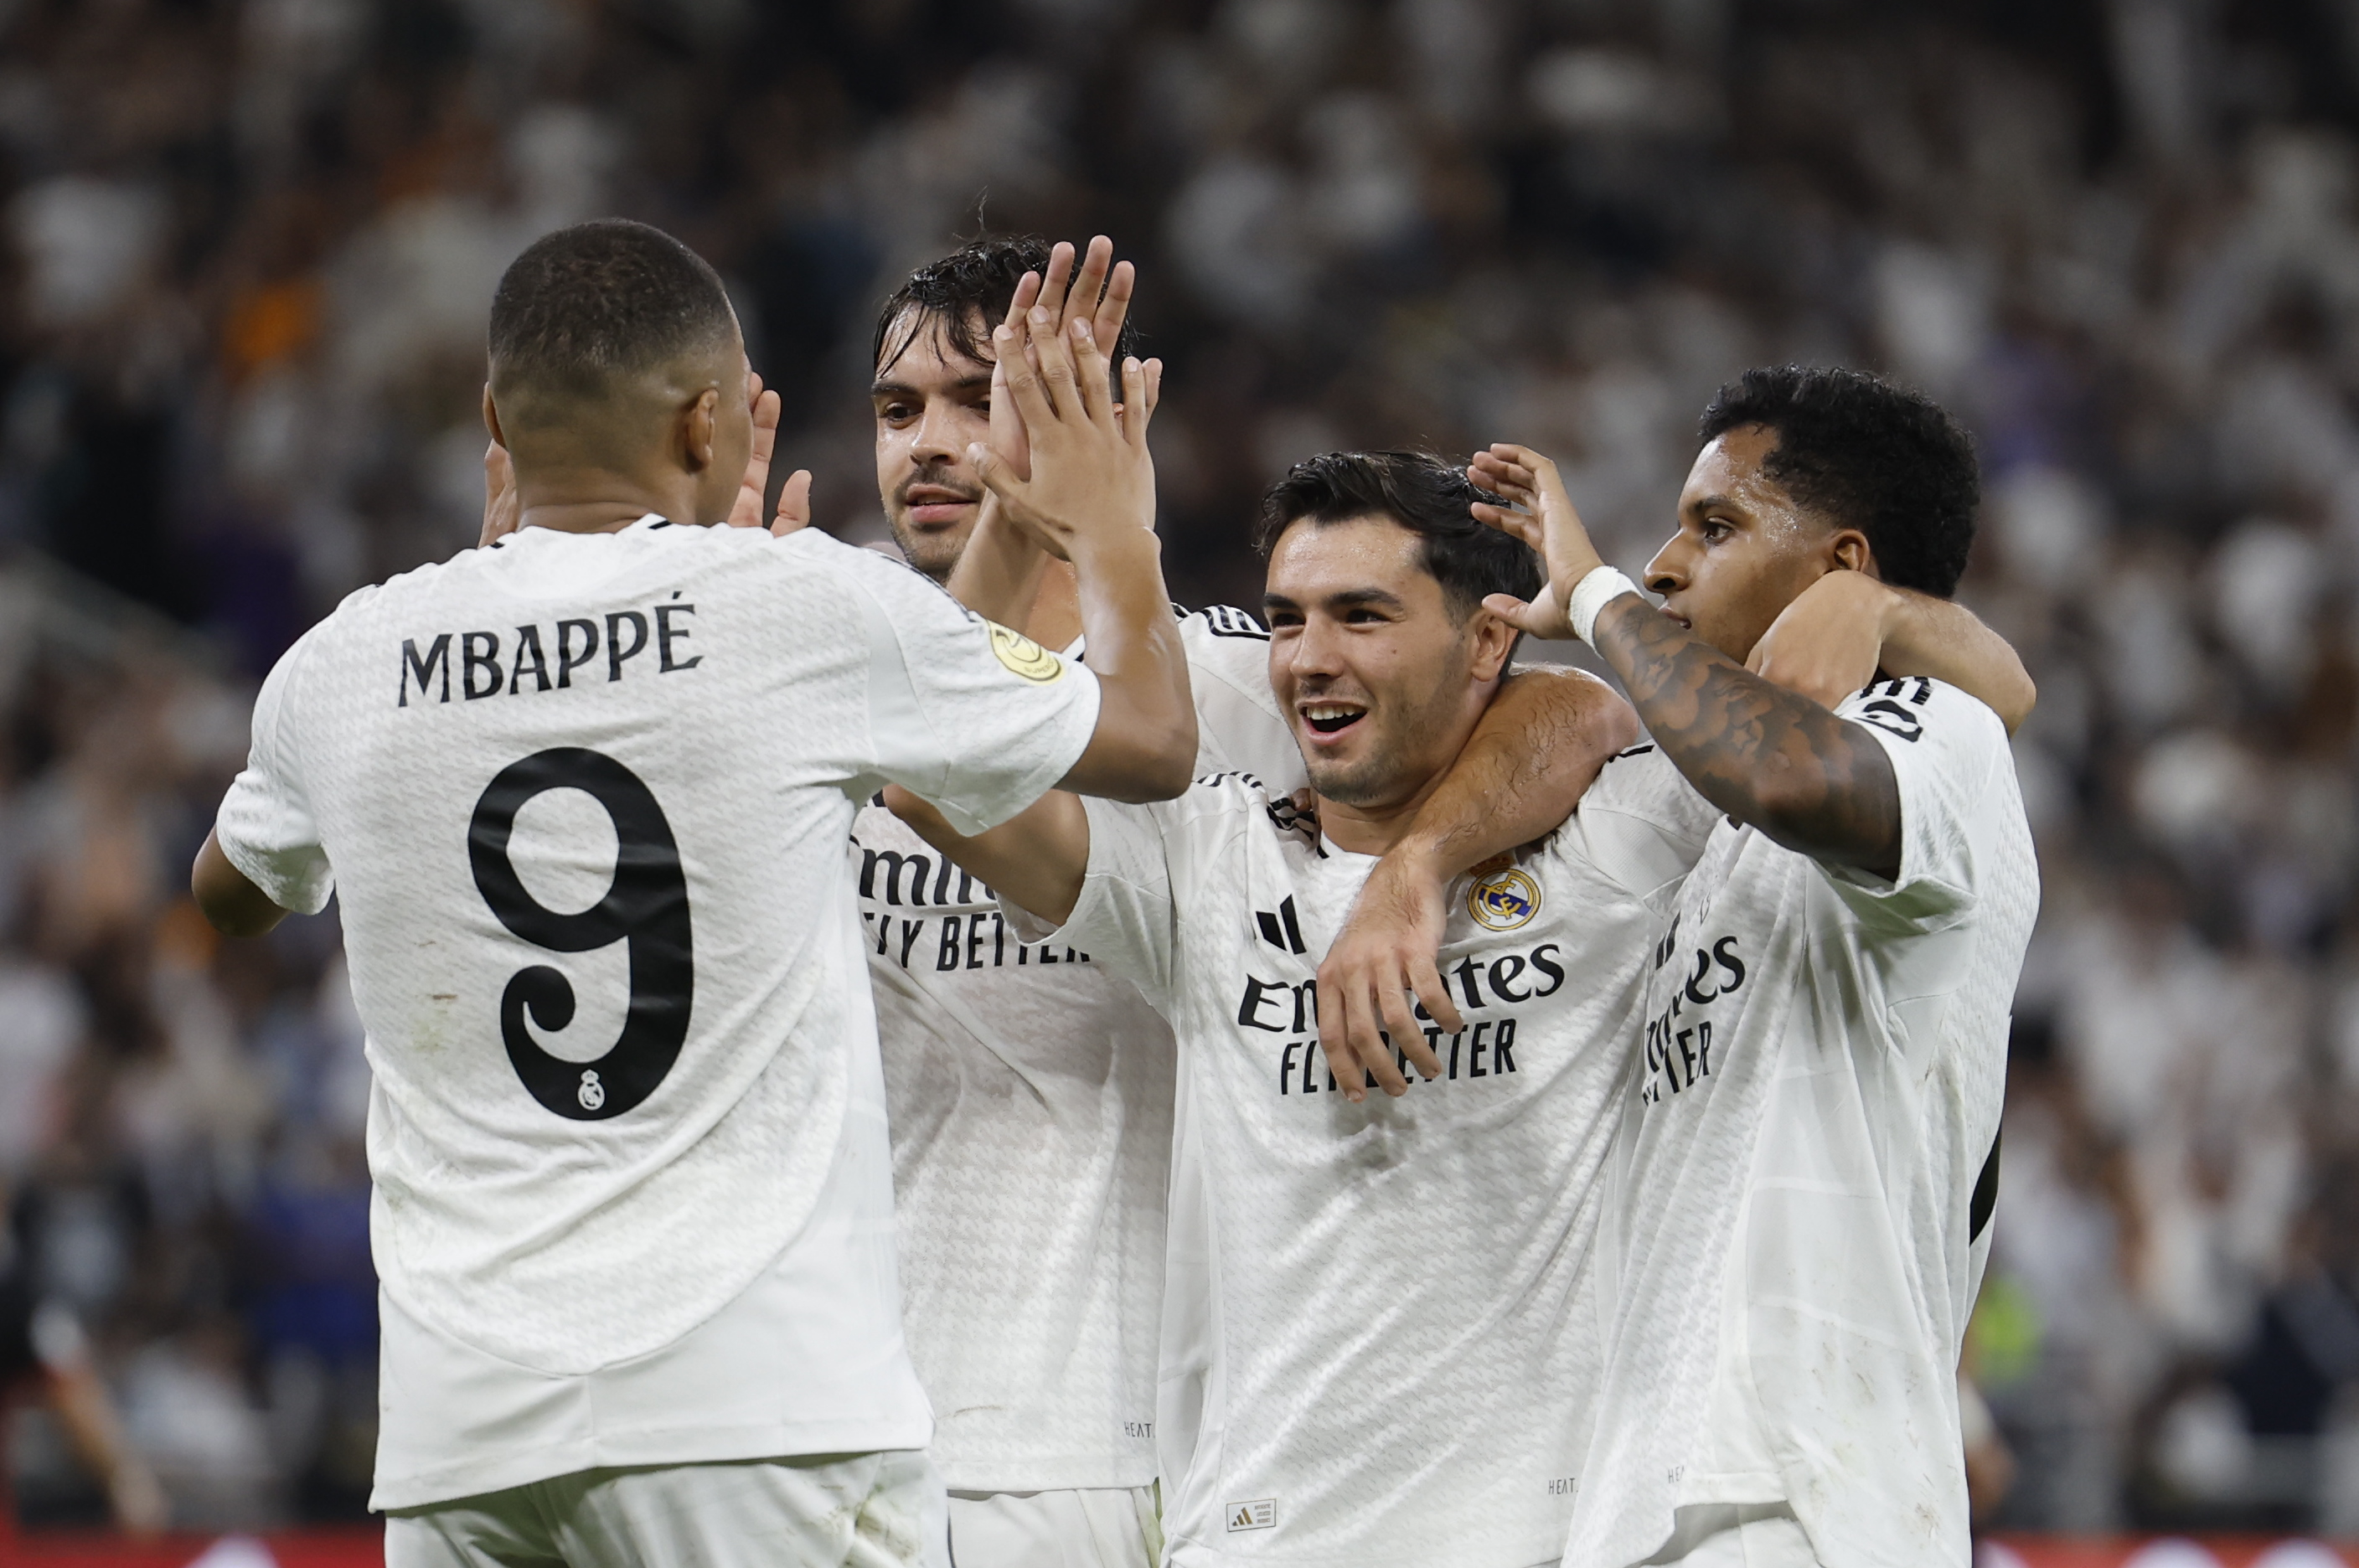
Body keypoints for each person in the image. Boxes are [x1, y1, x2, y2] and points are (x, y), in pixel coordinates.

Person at [188, 217, 1197, 1568]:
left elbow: (230, 894)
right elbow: (1154, 743)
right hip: (759, 1412)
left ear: (495, 420)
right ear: (711, 422)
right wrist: (1108, 511)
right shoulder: (801, 608)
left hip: (460, 1434)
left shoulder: (343, 661)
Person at [888, 449, 2031, 1568]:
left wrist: (1880, 609)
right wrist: (1036, 537)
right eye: (1287, 621)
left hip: (1539, 1534)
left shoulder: (1623, 839)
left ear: (1489, 639)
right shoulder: (1206, 864)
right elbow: (925, 777)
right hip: (1251, 1533)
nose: (1308, 662)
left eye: (1362, 617)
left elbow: (1619, 710)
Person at [853, 236, 1634, 1568]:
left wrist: (1410, 870)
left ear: (1084, 417)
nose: (932, 444)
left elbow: (1565, 712)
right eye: (898, 409)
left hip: (1138, 1432)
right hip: (865, 1411)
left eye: (983, 399)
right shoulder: (832, 671)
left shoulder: (1232, 683)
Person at [1469, 366, 2039, 1568]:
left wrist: (1603, 596)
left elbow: (1787, 770)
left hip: (1802, 1492)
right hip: (1662, 1497)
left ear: (1840, 561)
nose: (1670, 562)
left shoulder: (1940, 731)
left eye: (1715, 527)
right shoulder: (1713, 837)